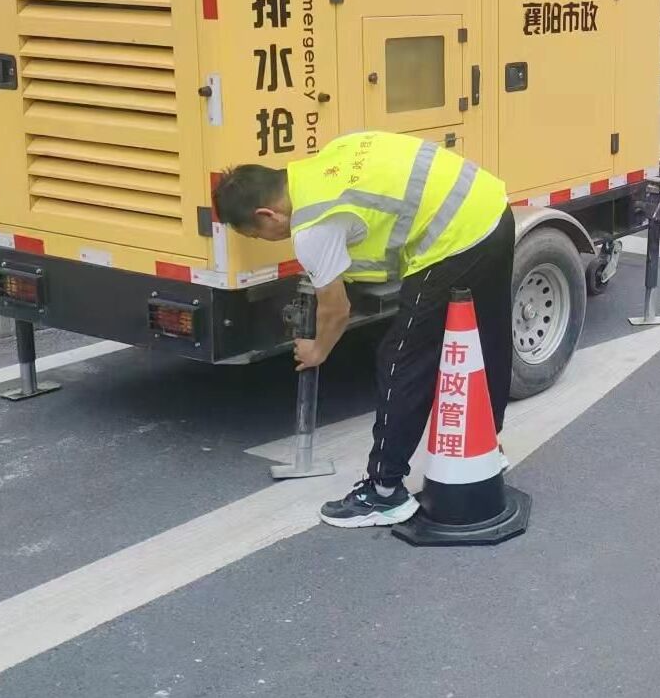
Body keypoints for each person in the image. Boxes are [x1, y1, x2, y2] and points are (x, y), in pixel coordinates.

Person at [214, 131, 514, 529]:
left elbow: (336, 310)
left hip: (454, 237)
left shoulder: (313, 226)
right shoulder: (325, 161)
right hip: (491, 207)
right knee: (485, 334)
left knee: (401, 358)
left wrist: (317, 350)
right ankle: (486, 447)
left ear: (267, 215)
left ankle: (384, 491)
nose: (266, 240)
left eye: (257, 235)